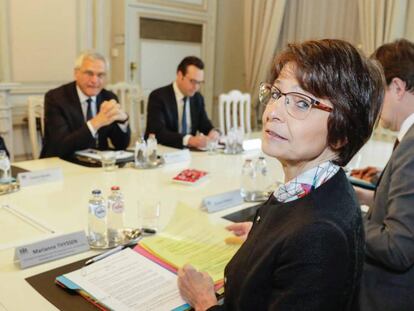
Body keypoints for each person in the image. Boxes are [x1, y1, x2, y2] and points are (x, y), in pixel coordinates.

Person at [177, 39, 384, 310]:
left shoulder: (319, 234)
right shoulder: (321, 187)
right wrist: (268, 239)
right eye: (276, 94)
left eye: (301, 103)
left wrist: (204, 301)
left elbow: (310, 242)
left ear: (342, 132)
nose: (272, 112)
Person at [356, 39, 414, 311]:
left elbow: (398, 246)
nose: (373, 103)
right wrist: (364, 194)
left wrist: (345, 215)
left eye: (376, 92)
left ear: (398, 87)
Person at [40, 51, 130, 159]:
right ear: (76, 73)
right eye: (89, 73)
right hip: (63, 162)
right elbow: (60, 146)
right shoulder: (56, 98)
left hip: (97, 165)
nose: (95, 80)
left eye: (100, 75)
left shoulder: (108, 97)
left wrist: (123, 121)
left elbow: (121, 145)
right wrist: (96, 122)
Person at [145, 56, 219, 149]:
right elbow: (158, 133)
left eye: (199, 82)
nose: (196, 87)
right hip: (163, 151)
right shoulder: (158, 96)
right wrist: (189, 140)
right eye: (193, 81)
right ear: (180, 75)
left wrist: (213, 132)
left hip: (189, 154)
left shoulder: (197, 98)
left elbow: (205, 124)